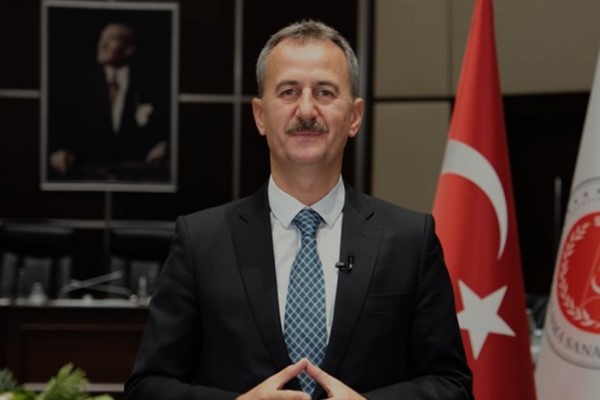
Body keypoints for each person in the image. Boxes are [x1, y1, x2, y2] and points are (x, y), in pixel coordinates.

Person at [125, 20, 473, 399]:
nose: (306, 110)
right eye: (289, 92)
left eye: (325, 92)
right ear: (260, 115)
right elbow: (147, 387)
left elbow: (452, 385)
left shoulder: (409, 241)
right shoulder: (201, 242)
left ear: (355, 116)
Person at [48, 22, 169, 181]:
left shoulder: (151, 84)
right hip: (88, 174)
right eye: (101, 39)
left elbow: (164, 128)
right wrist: (60, 150)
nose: (102, 44)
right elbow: (65, 125)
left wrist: (164, 146)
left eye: (111, 38)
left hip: (137, 175)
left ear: (129, 49)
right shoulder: (79, 84)